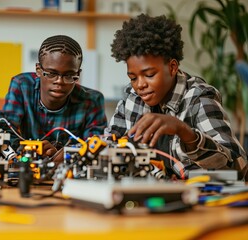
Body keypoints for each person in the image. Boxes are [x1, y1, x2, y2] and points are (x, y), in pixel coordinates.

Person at [105, 14, 248, 180]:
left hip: (199, 200)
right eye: (133, 78)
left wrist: (185, 132)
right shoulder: (131, 98)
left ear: (172, 67)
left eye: (149, 74)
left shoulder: (199, 99)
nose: (139, 85)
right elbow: (109, 144)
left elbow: (239, 169)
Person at [0, 35, 107, 156]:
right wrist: (28, 149)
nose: (59, 81)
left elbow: (95, 147)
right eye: (52, 73)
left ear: (78, 74)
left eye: (69, 75)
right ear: (38, 70)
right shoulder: (22, 86)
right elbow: (2, 131)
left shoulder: (92, 101)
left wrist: (64, 155)